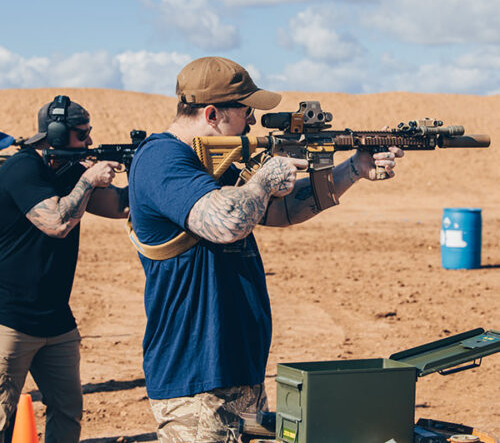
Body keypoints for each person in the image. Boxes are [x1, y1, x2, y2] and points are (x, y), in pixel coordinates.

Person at [128, 57, 404, 442]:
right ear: (212, 114)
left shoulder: (214, 162)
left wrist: (353, 169)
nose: (253, 121)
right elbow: (227, 223)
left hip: (238, 370)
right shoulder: (161, 158)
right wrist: (264, 179)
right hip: (194, 381)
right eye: (246, 111)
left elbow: (280, 211)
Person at [0, 95, 129, 443]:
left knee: (68, 412)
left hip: (56, 321)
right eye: (82, 134)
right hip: (9, 320)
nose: (89, 141)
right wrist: (89, 180)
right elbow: (56, 221)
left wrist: (149, 177)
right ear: (55, 135)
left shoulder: (70, 171)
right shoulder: (22, 168)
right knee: (1, 417)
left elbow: (119, 206)